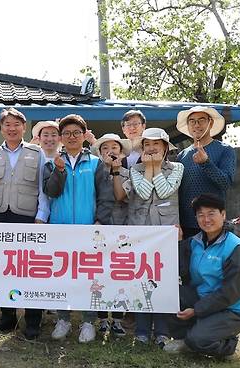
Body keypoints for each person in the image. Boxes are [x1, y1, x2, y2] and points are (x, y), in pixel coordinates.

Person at [0, 107, 50, 340]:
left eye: (16, 124)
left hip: (27, 216)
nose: (11, 128)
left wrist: (41, 215)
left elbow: (43, 189)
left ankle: (32, 320)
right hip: (0, 216)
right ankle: (7, 316)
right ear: (1, 128)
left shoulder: (36, 153)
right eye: (7, 124)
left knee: (29, 270)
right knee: (4, 267)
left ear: (24, 128)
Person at [164, 193, 240, 357]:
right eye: (201, 215)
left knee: (198, 340)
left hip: (231, 309)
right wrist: (178, 242)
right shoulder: (195, 242)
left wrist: (196, 310)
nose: (206, 219)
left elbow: (230, 293)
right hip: (201, 298)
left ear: (223, 214)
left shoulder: (237, 249)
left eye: (211, 214)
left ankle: (230, 344)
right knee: (169, 294)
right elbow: (178, 268)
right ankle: (182, 339)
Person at [117, 127, 184, 346]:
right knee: (140, 279)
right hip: (140, 232)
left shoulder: (177, 168)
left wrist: (155, 168)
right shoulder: (134, 170)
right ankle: (142, 330)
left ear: (165, 148)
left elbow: (165, 191)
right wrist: (148, 169)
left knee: (165, 280)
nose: (151, 148)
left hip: (166, 232)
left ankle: (163, 330)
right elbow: (144, 193)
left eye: (157, 144)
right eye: (147, 144)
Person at [42, 114, 100, 343]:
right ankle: (63, 319)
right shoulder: (52, 163)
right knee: (61, 274)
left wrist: (100, 220)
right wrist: (59, 171)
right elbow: (51, 192)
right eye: (66, 133)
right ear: (61, 138)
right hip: (60, 229)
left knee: (89, 277)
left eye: (76, 133)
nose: (72, 137)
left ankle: (88, 322)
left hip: (89, 229)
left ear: (84, 136)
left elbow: (105, 197)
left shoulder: (96, 163)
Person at [90, 133, 133, 337]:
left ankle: (117, 319)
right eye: (105, 148)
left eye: (114, 147)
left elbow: (124, 198)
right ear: (100, 153)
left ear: (122, 152)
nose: (110, 151)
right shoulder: (94, 171)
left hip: (122, 227)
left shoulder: (129, 173)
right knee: (98, 273)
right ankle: (101, 319)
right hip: (99, 228)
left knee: (119, 273)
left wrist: (115, 172)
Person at [176, 106, 236, 239]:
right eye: (192, 121)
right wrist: (177, 221)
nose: (196, 125)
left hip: (213, 223)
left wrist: (206, 163)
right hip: (187, 224)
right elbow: (178, 192)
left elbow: (225, 182)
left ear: (211, 123)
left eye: (201, 120)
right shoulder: (182, 155)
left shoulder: (225, 150)